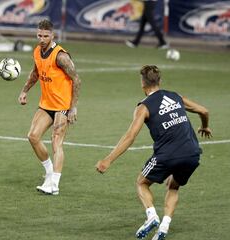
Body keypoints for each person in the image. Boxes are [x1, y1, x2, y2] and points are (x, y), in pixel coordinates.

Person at [96, 65, 212, 239]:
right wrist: (205, 126)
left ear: (142, 83)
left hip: (168, 154)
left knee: (141, 182)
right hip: (192, 153)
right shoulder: (175, 96)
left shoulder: (143, 107)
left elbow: (130, 136)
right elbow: (204, 110)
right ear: (160, 81)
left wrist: (108, 160)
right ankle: (163, 228)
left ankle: (152, 216)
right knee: (173, 186)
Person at [18, 19, 81, 195]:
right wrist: (24, 91)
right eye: (39, 35)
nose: (42, 39)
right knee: (32, 136)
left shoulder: (61, 56)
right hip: (46, 104)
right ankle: (49, 172)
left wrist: (73, 107)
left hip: (62, 106)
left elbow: (77, 79)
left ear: (52, 35)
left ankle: (54, 184)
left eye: (46, 36)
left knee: (56, 143)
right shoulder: (37, 51)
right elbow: (36, 72)